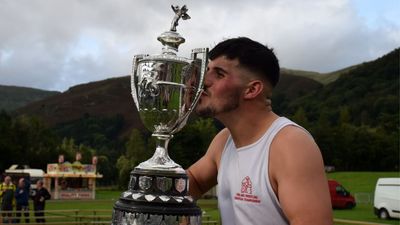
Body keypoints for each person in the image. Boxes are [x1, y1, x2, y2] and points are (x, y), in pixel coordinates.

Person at [186, 37, 333, 224]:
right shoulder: (224, 141)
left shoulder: (290, 144)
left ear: (252, 89)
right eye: (207, 71)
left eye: (220, 74)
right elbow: (194, 182)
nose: (204, 81)